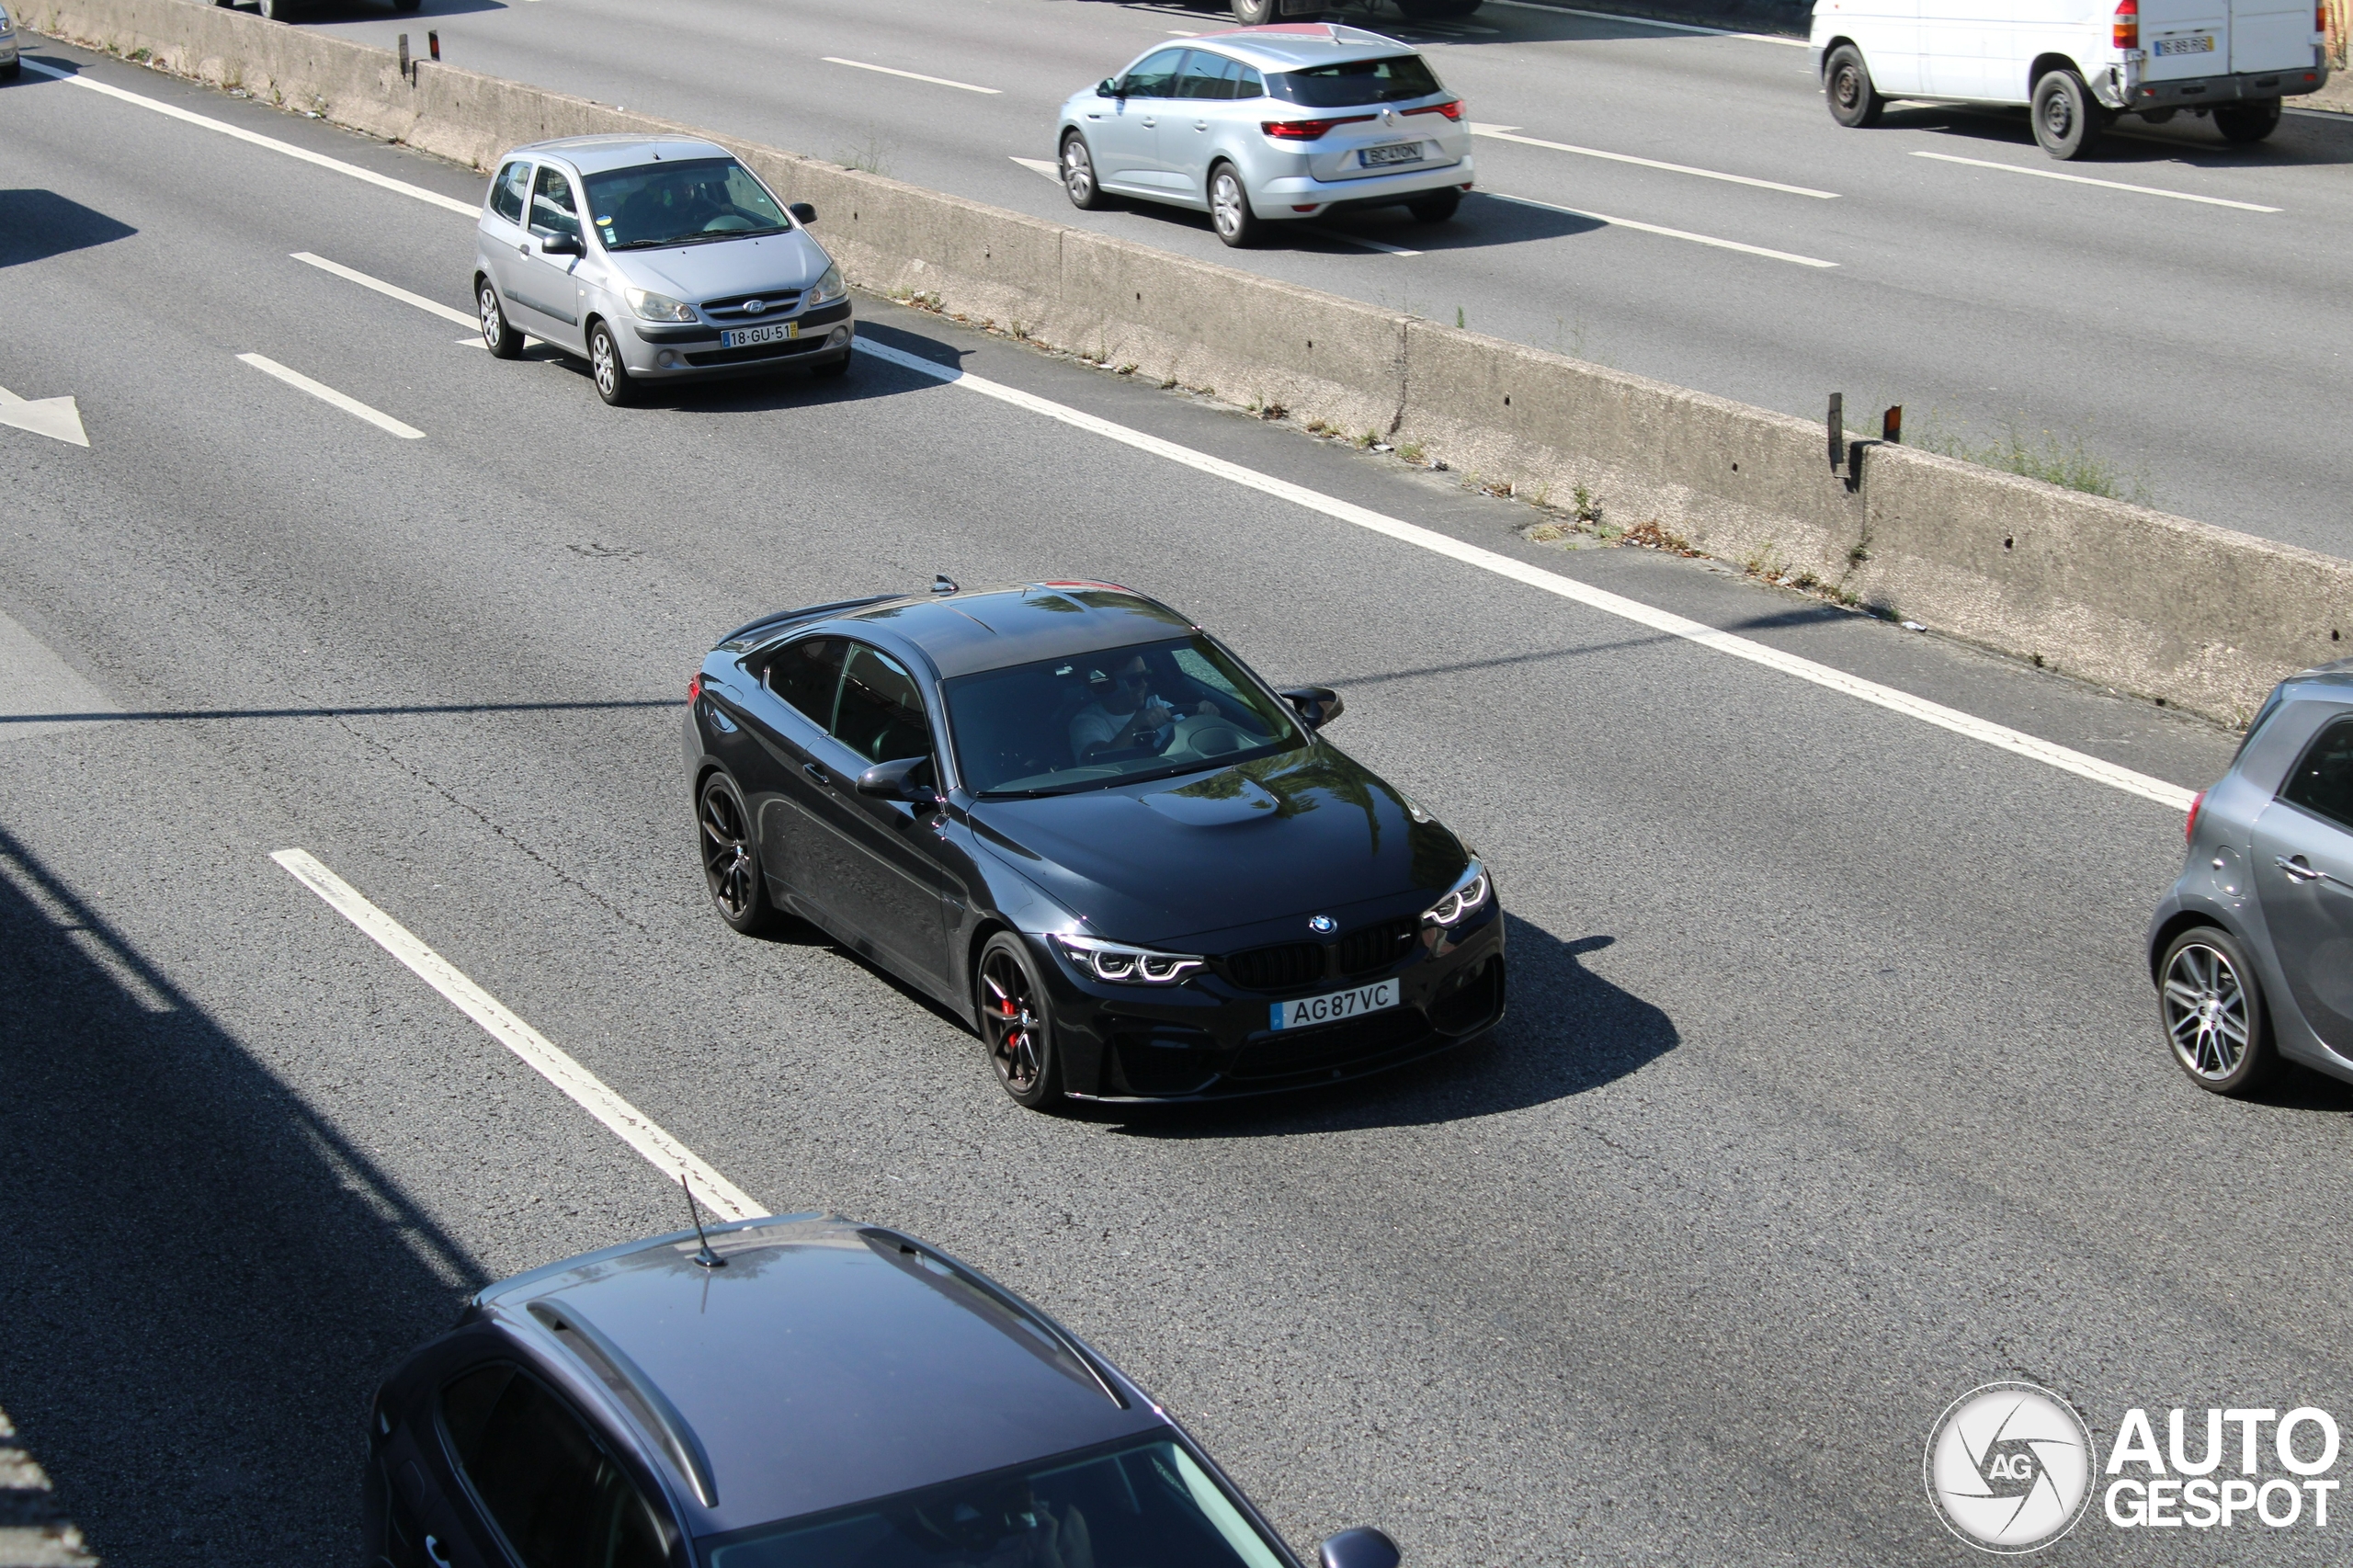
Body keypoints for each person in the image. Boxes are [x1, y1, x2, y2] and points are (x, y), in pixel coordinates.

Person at [1068, 654, 1212, 762]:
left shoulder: (1156, 705)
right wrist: (1136, 725)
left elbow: (1191, 737)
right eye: (1134, 680)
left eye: (1146, 676)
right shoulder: (1086, 722)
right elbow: (1097, 763)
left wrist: (1204, 720)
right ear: (1108, 685)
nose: (1144, 684)